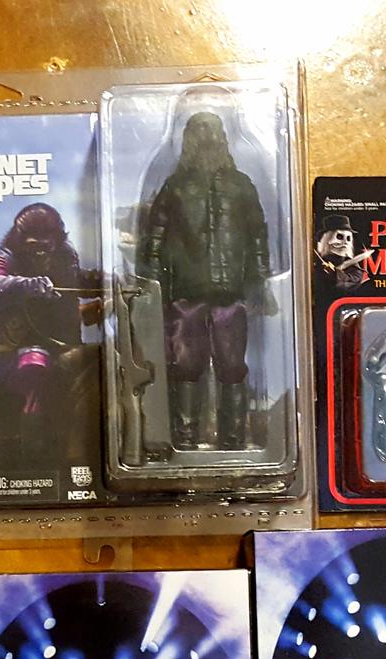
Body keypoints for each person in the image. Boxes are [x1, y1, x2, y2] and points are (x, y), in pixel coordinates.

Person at [139, 111, 271, 450]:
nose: (206, 137)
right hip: (186, 292)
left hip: (231, 293)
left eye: (211, 130)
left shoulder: (241, 185)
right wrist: (151, 284)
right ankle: (184, 440)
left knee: (232, 366)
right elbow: (155, 237)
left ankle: (233, 441)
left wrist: (260, 282)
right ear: (188, 138)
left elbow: (258, 235)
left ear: (222, 137)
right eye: (199, 131)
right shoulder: (175, 186)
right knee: (186, 365)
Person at [0, 203, 84, 462]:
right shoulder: (6, 255)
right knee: (34, 364)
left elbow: (79, 282)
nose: (40, 253)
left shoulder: (67, 257)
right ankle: (32, 449)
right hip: (16, 353)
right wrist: (25, 285)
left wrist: (107, 281)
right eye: (33, 245)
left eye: (46, 246)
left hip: (65, 346)